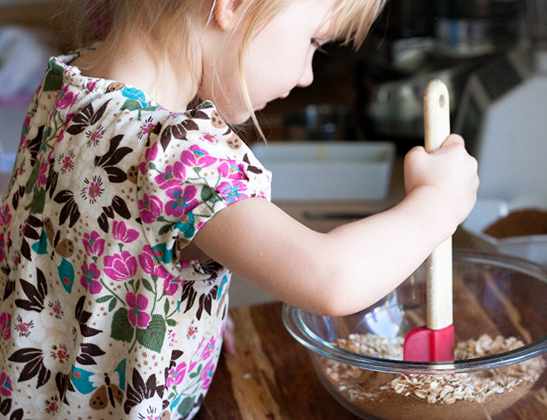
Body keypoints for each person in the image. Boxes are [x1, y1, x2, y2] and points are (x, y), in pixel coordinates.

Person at [0, 0, 478, 418]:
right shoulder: (180, 155)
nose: (307, 75)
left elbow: (84, 248)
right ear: (233, 4)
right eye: (313, 41)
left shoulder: (66, 88)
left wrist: (180, 311)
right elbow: (334, 278)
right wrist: (438, 203)